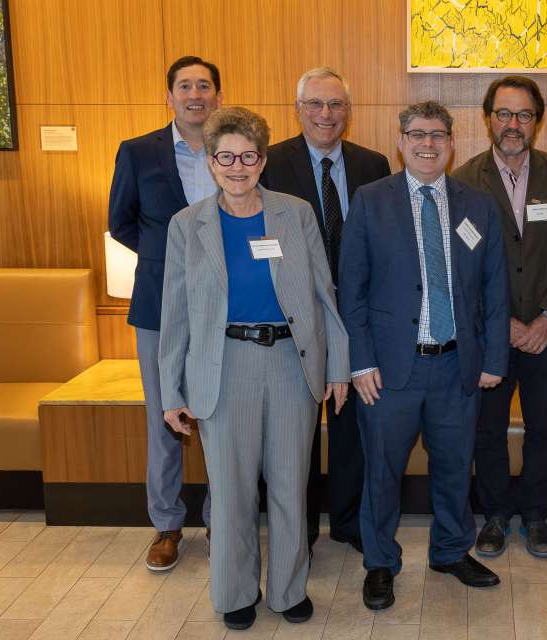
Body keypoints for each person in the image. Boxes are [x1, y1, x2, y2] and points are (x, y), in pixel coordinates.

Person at [157, 107, 350, 630]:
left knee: (291, 484)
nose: (237, 167)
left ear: (262, 160)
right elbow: (173, 312)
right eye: (226, 157)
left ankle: (288, 591)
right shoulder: (186, 225)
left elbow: (322, 294)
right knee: (232, 490)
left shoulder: (296, 212)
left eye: (248, 156)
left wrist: (339, 366)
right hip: (224, 366)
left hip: (292, 363)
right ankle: (235, 591)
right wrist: (169, 392)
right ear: (212, 162)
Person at [339, 101, 510, 611]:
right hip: (390, 370)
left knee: (456, 467)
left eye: (438, 135)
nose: (428, 143)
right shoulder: (371, 201)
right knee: (382, 473)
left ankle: (451, 551)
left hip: (457, 366)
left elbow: (496, 290)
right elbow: (352, 289)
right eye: (417, 134)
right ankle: (380, 562)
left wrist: (494, 358)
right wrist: (361, 362)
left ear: (452, 143)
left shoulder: (478, 206)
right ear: (401, 141)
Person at [261, 67, 391, 554]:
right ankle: (300, 529)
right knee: (295, 430)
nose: (325, 114)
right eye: (315, 104)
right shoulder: (271, 163)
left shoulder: (373, 164)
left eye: (335, 105)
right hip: (293, 314)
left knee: (350, 424)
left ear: (348, 112)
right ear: (298, 110)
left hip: (355, 315)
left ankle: (349, 520)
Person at [452, 76, 547, 558]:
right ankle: (495, 515)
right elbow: (460, 266)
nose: (513, 124)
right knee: (487, 430)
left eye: (523, 115)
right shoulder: (463, 180)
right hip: (490, 335)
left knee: (542, 428)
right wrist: (499, 321)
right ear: (488, 118)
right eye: (503, 114)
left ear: (537, 122)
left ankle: (535, 515)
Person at [108, 56, 222, 571]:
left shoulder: (235, 149)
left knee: (223, 417)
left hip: (226, 308)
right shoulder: (137, 152)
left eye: (204, 85)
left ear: (218, 96)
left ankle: (225, 520)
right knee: (164, 418)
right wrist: (167, 262)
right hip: (158, 306)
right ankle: (167, 525)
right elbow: (122, 223)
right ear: (169, 96)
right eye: (184, 85)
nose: (195, 93)